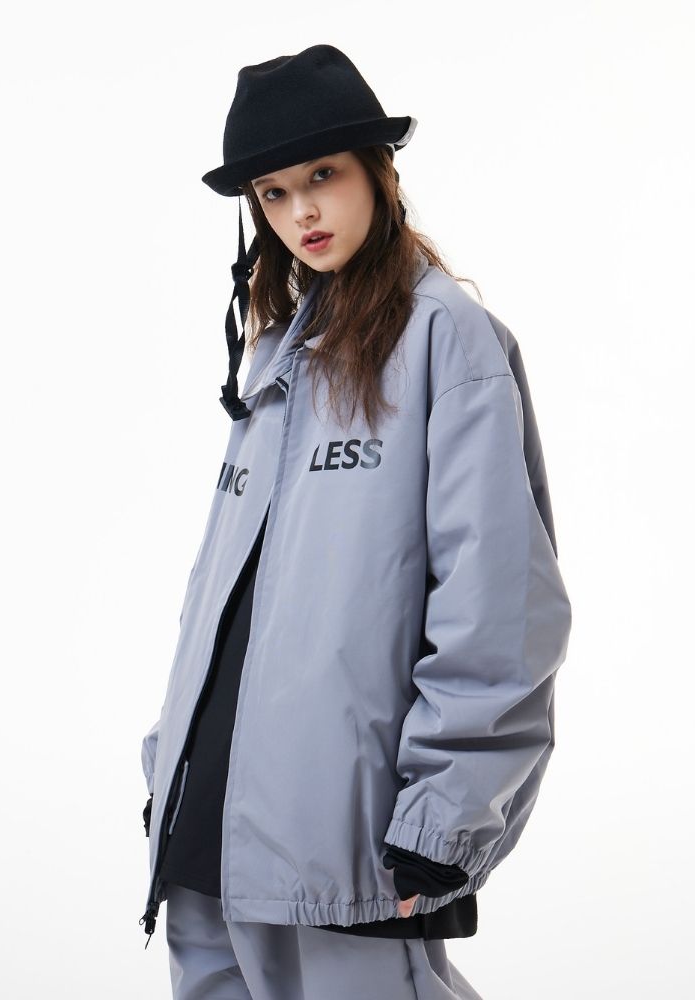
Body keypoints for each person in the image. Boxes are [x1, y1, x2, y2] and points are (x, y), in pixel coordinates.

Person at [138, 43, 572, 1000]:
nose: (302, 212)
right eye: (274, 192)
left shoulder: (446, 339)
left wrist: (445, 815)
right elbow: (221, 588)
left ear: (378, 172)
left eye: (323, 176)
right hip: (215, 817)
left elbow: (500, 603)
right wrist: (171, 769)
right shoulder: (278, 354)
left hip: (344, 830)